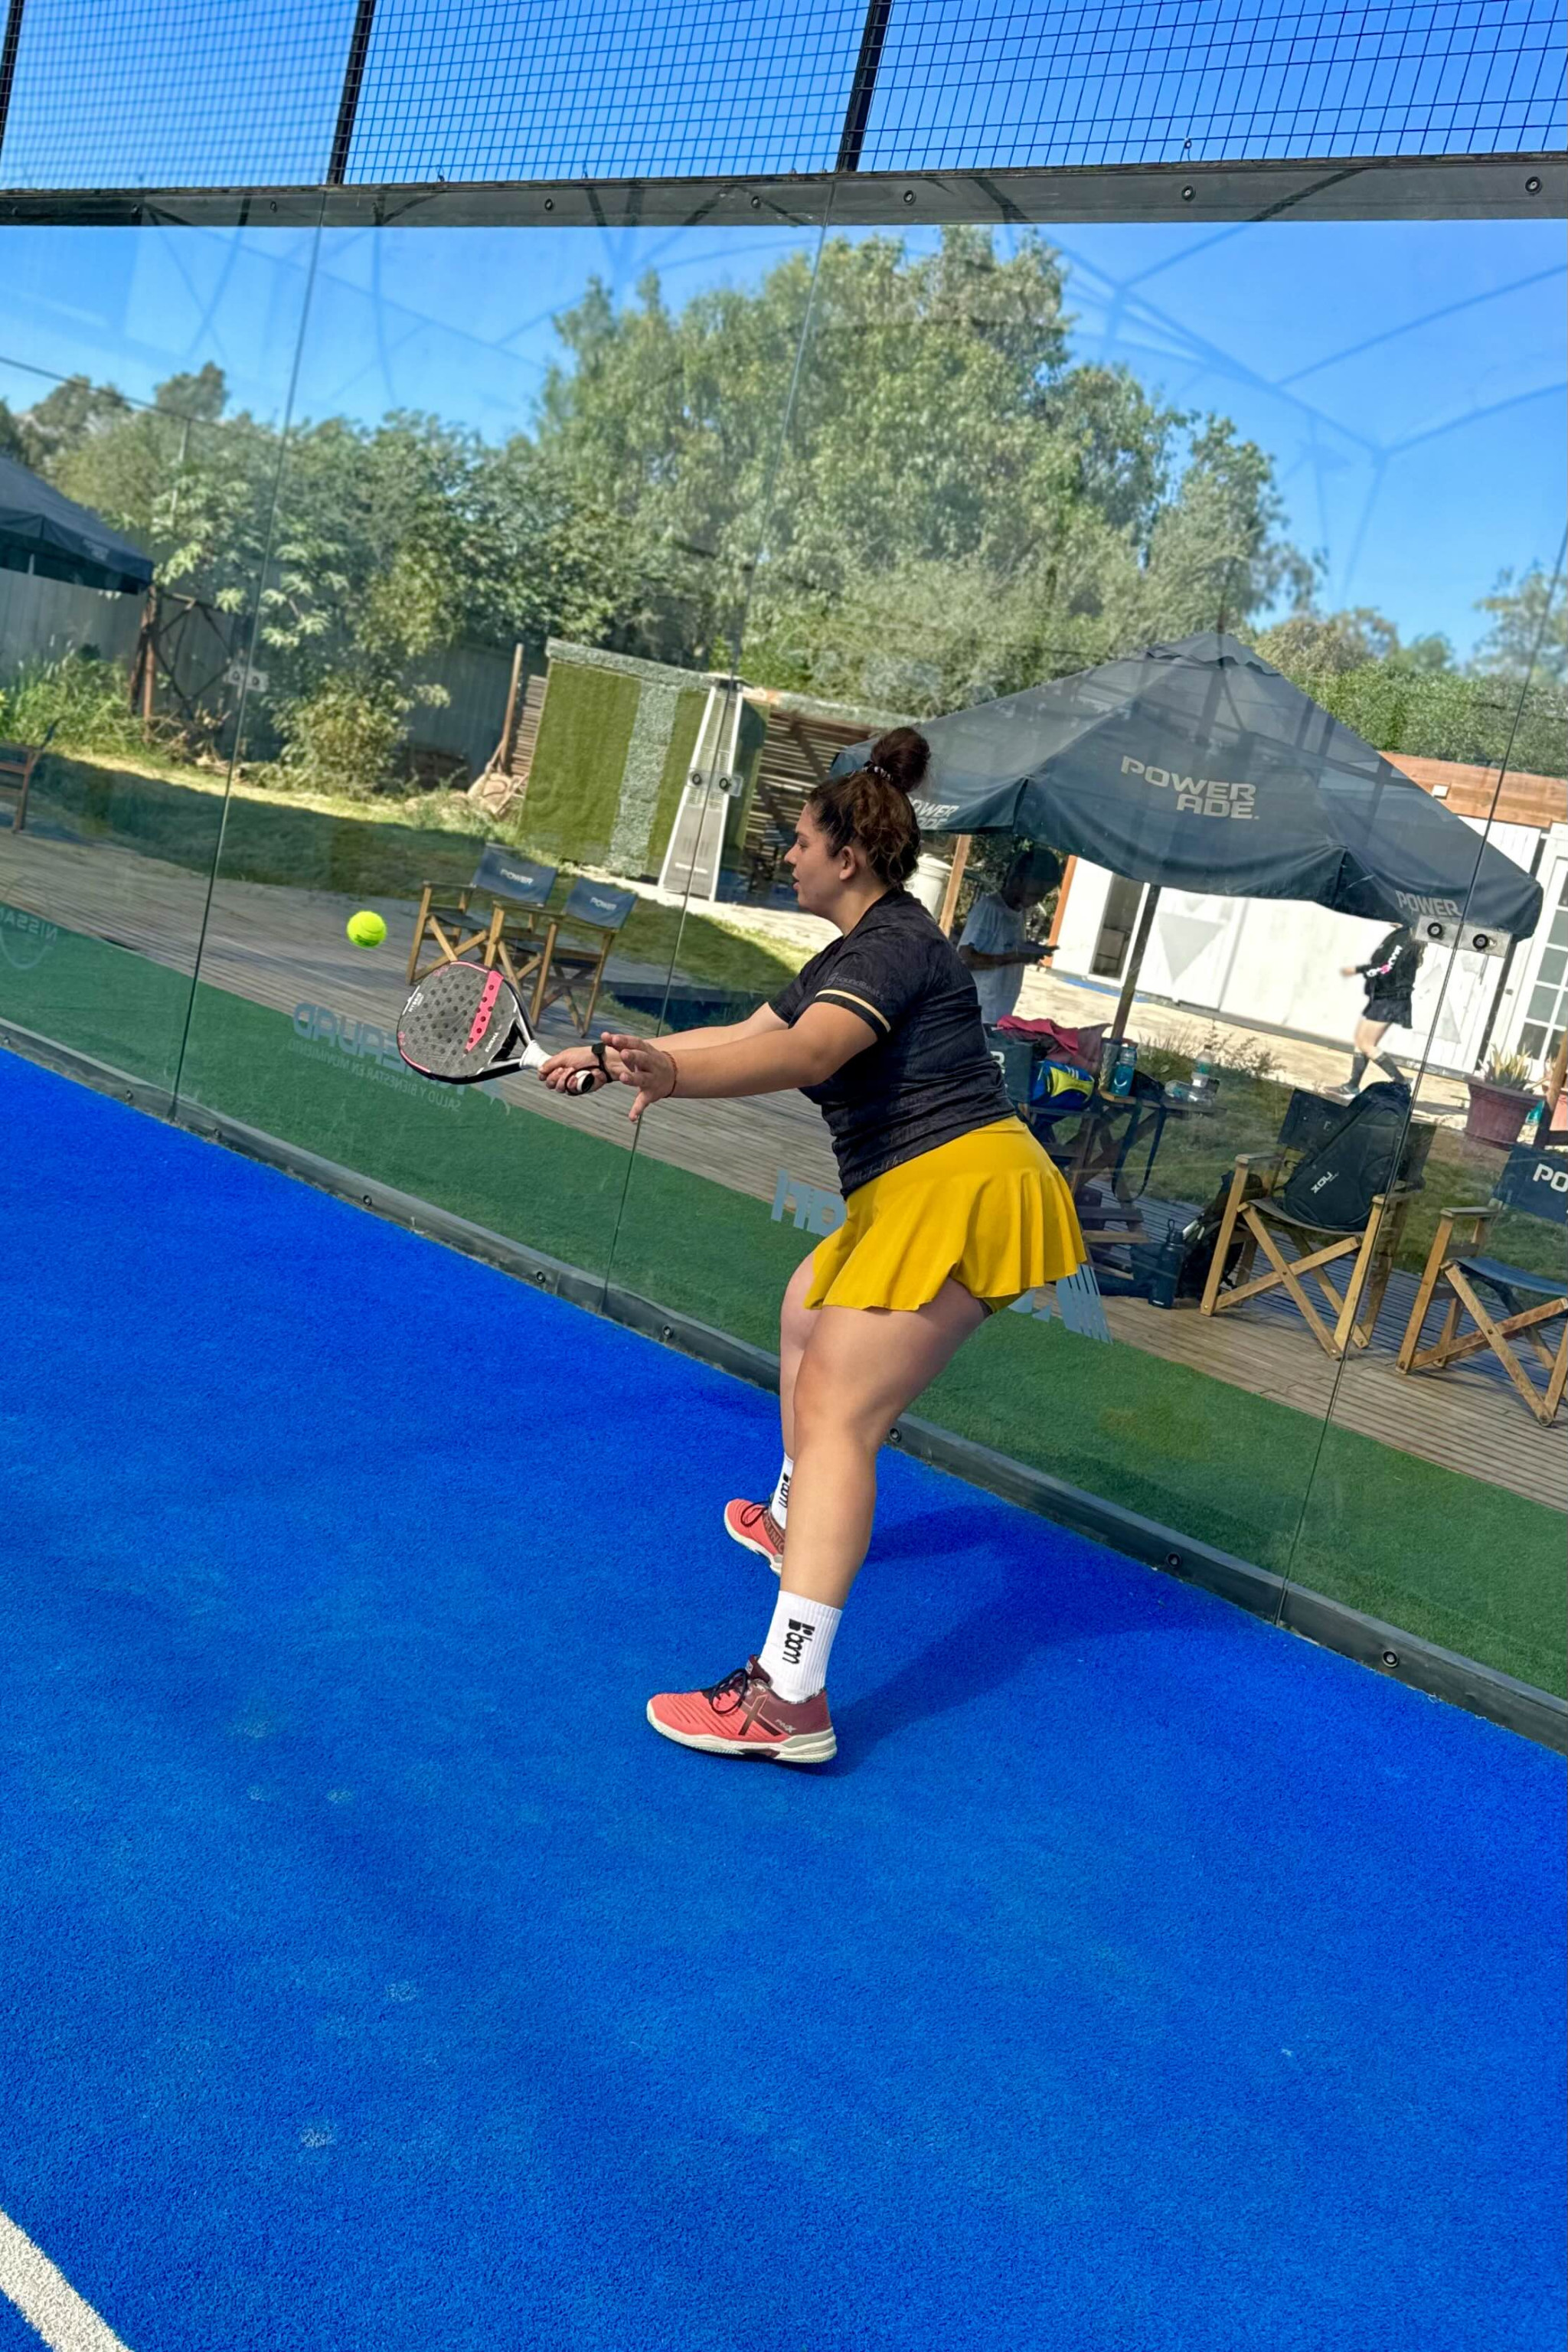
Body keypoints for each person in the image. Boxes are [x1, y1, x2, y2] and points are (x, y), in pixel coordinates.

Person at [541, 729, 1085, 1766]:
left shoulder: (890, 947)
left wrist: (671, 1079)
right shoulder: (850, 952)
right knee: (806, 1305)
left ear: (850, 854)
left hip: (962, 1185)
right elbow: (749, 1032)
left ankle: (788, 1696)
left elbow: (805, 1054)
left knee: (839, 1415)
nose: (786, 855)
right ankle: (797, 1523)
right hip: (917, 1186)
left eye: (800, 841)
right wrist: (615, 1057)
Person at [957, 848, 1063, 1031]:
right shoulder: (989, 909)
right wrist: (1014, 957)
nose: (1039, 899)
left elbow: (1005, 947)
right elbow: (965, 959)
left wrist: (1029, 952)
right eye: (1036, 892)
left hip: (999, 1014)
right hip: (977, 1015)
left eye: (1044, 895)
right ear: (1018, 880)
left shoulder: (1018, 912)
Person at [1336, 924, 1423, 1097]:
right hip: (1385, 997)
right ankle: (1352, 1086)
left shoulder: (1404, 936)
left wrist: (1357, 970)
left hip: (1391, 999)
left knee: (1367, 1044)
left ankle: (1402, 1082)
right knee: (1361, 1041)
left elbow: (1387, 967)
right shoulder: (1402, 934)